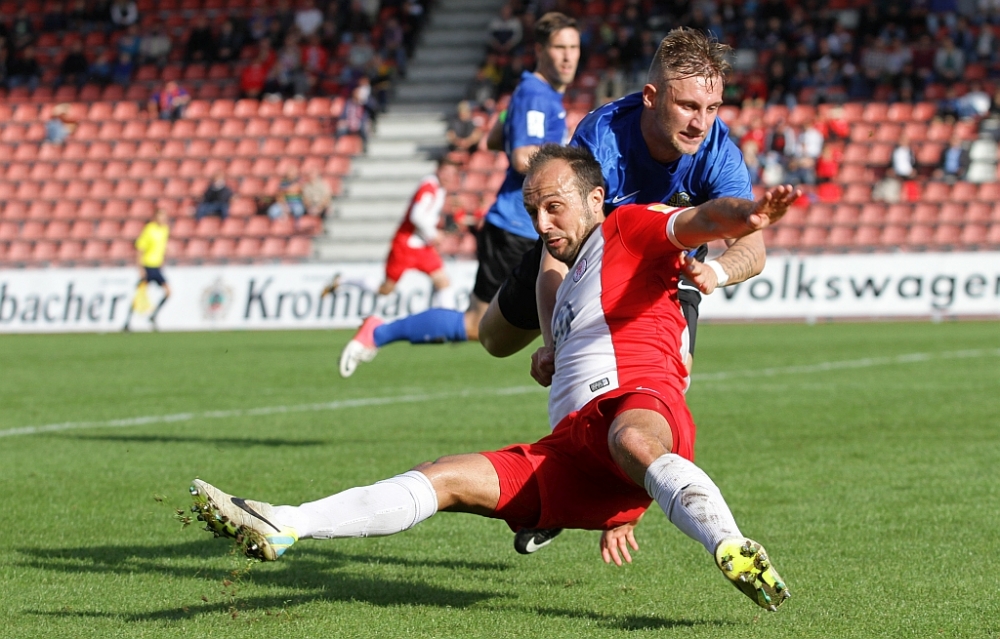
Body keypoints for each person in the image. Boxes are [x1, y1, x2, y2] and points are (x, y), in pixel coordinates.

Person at [189, 145, 794, 613]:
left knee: (631, 438)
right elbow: (563, 317)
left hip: (641, 406)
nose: (542, 223)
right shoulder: (570, 280)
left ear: (596, 198)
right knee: (445, 476)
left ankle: (731, 547)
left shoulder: (628, 227)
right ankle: (287, 523)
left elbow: (702, 218)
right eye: (533, 211)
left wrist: (749, 215)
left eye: (553, 206)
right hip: (573, 452)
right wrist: (552, 351)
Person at [477, 27, 769, 553]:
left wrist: (719, 273)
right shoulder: (603, 135)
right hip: (578, 256)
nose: (701, 122)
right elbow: (558, 253)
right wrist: (553, 341)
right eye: (688, 106)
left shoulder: (717, 147)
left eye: (712, 108)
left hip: (665, 275)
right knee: (493, 338)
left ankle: (597, 496)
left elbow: (753, 247)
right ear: (652, 97)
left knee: (663, 389)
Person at [338, 12, 580, 378]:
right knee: (481, 323)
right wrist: (571, 160)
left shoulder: (529, 92)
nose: (568, 56)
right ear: (540, 51)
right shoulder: (536, 94)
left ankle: (378, 332)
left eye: (574, 47)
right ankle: (378, 332)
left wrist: (514, 123)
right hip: (518, 226)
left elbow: (494, 139)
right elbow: (521, 157)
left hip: (522, 224)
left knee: (505, 317)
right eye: (560, 47)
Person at [325, 158, 458, 312]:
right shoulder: (429, 187)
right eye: (446, 171)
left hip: (422, 246)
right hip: (405, 245)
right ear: (438, 170)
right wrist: (433, 234)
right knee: (385, 289)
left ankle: (450, 319)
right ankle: (343, 280)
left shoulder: (439, 189)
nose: (449, 176)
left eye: (452, 173)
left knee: (443, 281)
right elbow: (416, 216)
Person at [123, 208, 171, 332]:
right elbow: (140, 249)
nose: (163, 219)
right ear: (155, 218)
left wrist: (164, 258)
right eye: (161, 216)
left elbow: (162, 247)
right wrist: (140, 268)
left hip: (157, 267)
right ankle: (127, 322)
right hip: (147, 266)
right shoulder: (149, 230)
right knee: (139, 295)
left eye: (164, 217)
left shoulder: (165, 230)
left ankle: (153, 316)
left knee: (168, 292)